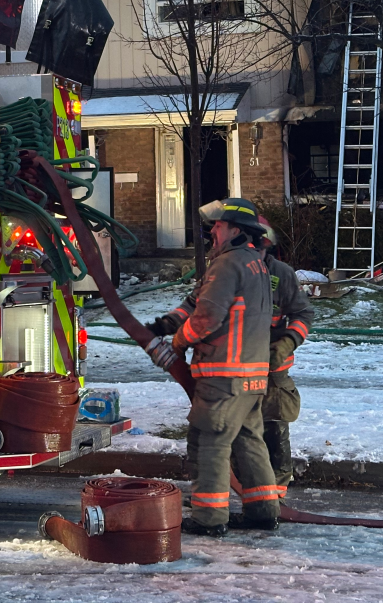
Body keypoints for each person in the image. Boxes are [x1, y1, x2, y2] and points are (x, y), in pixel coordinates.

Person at [145, 198, 282, 536]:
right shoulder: (254, 264)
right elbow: (196, 302)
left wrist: (176, 342)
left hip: (223, 376)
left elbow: (205, 319)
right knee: (249, 442)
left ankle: (209, 518)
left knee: (209, 444)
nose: (212, 231)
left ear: (236, 230)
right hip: (249, 379)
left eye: (218, 225)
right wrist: (166, 323)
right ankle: (263, 511)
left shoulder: (227, 265)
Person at [231, 215, 314, 496]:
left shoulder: (282, 275)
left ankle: (275, 494)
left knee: (274, 428)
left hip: (271, 372)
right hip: (234, 370)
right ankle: (242, 491)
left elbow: (303, 313)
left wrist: (287, 343)